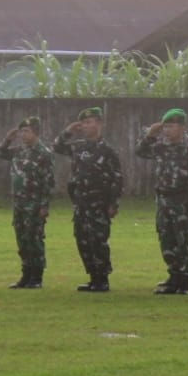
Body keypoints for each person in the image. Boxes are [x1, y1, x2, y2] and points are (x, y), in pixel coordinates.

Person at [53, 106, 123, 293]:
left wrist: (114, 203)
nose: (85, 126)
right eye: (83, 123)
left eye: (89, 122)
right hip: (80, 203)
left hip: (99, 203)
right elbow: (57, 146)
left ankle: (102, 279)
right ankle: (92, 277)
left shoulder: (107, 151)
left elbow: (117, 178)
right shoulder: (78, 147)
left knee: (98, 241)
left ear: (99, 124)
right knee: (82, 240)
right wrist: (68, 131)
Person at [135, 108, 188, 294]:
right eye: (165, 127)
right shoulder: (161, 147)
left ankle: (185, 280)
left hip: (183, 201)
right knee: (167, 240)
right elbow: (140, 151)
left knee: (184, 241)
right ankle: (173, 276)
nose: (167, 130)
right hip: (164, 200)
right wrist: (150, 134)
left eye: (171, 126)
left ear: (182, 127)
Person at [0, 116, 55, 290]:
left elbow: (48, 181)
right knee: (22, 239)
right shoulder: (19, 151)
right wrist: (8, 139)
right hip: (19, 203)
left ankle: (37, 276)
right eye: (21, 131)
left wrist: (44, 205)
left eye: (26, 131)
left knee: (34, 239)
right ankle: (26, 275)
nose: (23, 135)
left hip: (34, 203)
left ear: (36, 132)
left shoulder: (44, 153)